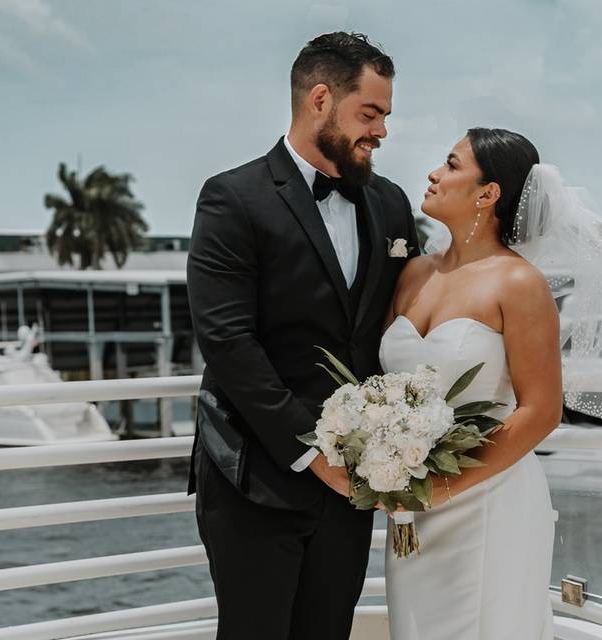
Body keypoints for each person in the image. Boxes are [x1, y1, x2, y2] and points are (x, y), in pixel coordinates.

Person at [186, 31, 418, 639]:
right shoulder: (232, 199)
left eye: (386, 116)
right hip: (254, 476)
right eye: (370, 113)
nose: (382, 132)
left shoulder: (390, 204)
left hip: (354, 485)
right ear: (320, 99)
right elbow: (228, 341)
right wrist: (311, 451)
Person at [380, 128, 561, 639]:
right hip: (411, 511)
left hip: (489, 499)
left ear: (488, 194)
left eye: (451, 164)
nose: (434, 173)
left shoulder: (518, 283)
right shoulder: (413, 273)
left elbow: (542, 410)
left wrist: (441, 487)